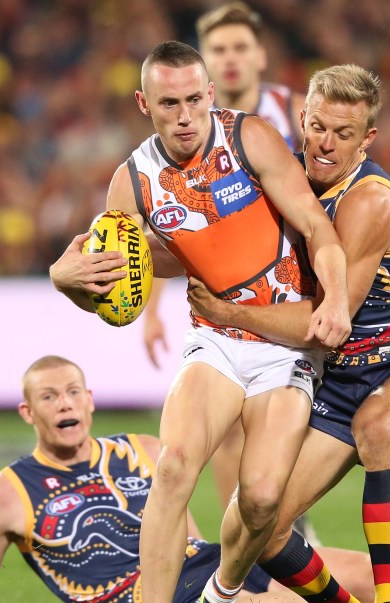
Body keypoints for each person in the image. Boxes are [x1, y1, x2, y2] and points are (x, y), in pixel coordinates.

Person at [48, 41, 354, 603]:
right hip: (213, 337)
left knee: (264, 498)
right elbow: (117, 292)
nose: (185, 115)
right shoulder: (130, 183)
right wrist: (69, 283)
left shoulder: (254, 140)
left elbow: (319, 229)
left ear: (210, 95)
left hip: (284, 340)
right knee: (175, 464)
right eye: (169, 103)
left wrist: (338, 297)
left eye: (194, 99)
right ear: (144, 105)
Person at [183, 64, 390, 603]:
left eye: (343, 133)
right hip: (337, 380)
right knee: (255, 524)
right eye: (316, 127)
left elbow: (326, 323)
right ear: (303, 119)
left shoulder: (367, 201)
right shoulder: (286, 173)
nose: (325, 144)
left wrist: (229, 312)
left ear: (368, 139)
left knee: (378, 427)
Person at [0, 356, 390, 603]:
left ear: (91, 400)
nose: (66, 404)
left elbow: (191, 532)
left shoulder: (144, 449)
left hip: (206, 562)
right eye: (50, 397)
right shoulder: (4, 493)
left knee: (376, 573)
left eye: (73, 392)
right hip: (156, 602)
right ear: (28, 412)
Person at [140, 2, 307, 514]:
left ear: (260, 56)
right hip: (225, 309)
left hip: (295, 296)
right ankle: (249, 542)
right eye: (218, 49)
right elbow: (181, 229)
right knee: (228, 430)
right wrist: (151, 309)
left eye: (239, 48)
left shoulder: (293, 115)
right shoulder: (181, 135)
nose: (230, 58)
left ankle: (282, 531)